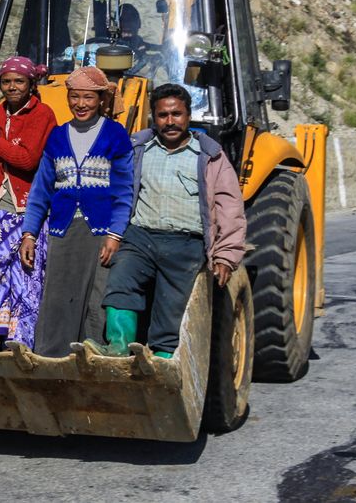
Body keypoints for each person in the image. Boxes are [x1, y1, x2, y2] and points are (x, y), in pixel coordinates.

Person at [93, 83, 246, 358]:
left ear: (188, 116)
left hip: (186, 243)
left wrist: (225, 256)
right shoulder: (138, 148)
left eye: (177, 114)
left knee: (172, 307)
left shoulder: (210, 156)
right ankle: (117, 346)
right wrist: (112, 234)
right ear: (154, 117)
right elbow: (118, 190)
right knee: (120, 280)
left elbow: (230, 207)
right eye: (163, 115)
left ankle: (165, 360)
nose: (170, 121)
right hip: (141, 237)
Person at [19, 66, 134, 357]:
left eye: (88, 98)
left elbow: (124, 190)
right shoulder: (57, 137)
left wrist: (115, 233)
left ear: (101, 100)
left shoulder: (115, 135)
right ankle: (51, 360)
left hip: (100, 231)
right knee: (58, 297)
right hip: (64, 228)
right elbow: (41, 191)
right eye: (75, 97)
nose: (80, 104)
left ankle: (88, 361)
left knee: (96, 298)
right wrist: (29, 234)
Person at [0, 56, 57, 352]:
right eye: (6, 81)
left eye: (19, 81)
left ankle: (20, 337)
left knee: (26, 272)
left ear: (31, 84)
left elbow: (28, 159)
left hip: (28, 205)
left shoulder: (42, 114)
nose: (11, 87)